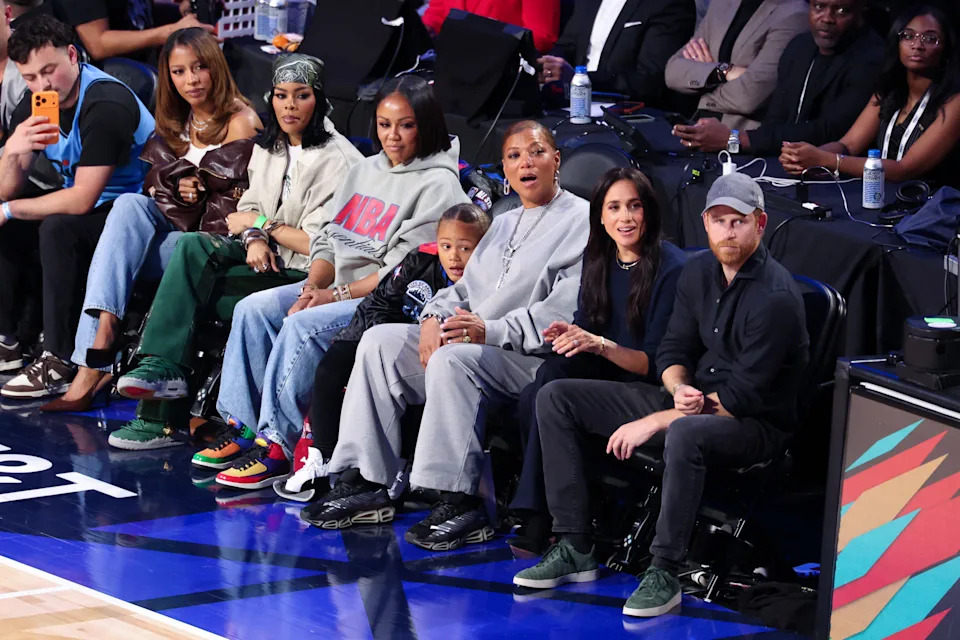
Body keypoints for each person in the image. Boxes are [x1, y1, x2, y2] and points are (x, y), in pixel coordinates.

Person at [115, 76, 469, 489]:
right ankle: (244, 426)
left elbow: (399, 274)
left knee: (301, 325)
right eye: (384, 124)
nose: (392, 136)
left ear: (425, 125)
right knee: (256, 308)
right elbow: (329, 241)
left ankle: (277, 446)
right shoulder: (367, 169)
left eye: (405, 125)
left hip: (381, 301)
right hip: (336, 286)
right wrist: (312, 287)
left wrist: (331, 296)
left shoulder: (439, 186)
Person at [511, 172, 809, 619]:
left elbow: (742, 398)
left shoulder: (776, 297)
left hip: (753, 425)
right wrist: (678, 387)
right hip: (693, 401)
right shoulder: (698, 271)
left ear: (760, 224)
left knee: (685, 434)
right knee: (555, 396)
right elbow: (672, 351)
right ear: (705, 223)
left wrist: (656, 419)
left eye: (739, 221)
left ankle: (665, 571)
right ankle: (574, 544)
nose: (728, 231)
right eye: (719, 221)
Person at [302, 121, 590, 553]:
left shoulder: (582, 220)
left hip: (530, 359)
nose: (525, 163)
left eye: (536, 153)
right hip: (471, 344)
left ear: (557, 160)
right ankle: (367, 481)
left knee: (453, 360)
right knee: (380, 342)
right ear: (505, 169)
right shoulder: (504, 221)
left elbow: (561, 314)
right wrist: (433, 319)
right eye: (513, 156)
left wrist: (487, 331)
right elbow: (461, 290)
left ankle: (459, 500)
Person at [107, 53, 363, 450]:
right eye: (281, 95)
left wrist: (261, 226)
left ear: (320, 99)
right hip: (265, 259)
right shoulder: (271, 146)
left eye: (301, 95)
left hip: (306, 275)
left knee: (193, 291)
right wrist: (255, 237)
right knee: (192, 247)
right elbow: (245, 212)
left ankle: (160, 418)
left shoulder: (341, 161)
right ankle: (160, 368)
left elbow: (320, 244)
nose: (289, 106)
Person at [38, 28, 261, 412]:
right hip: (175, 229)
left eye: (199, 68)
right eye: (178, 72)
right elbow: (154, 185)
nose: (191, 80)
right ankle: (103, 332)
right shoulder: (178, 119)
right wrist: (176, 183)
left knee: (116, 248)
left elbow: (240, 205)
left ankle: (91, 369)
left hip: (211, 243)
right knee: (127, 205)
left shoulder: (241, 121)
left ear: (216, 67)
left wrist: (194, 187)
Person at [507, 167, 686, 556]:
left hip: (642, 381)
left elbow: (655, 364)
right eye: (614, 207)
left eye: (634, 206)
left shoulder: (671, 268)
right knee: (543, 381)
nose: (625, 218)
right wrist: (571, 335)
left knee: (545, 390)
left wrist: (599, 344)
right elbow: (588, 325)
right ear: (600, 217)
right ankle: (547, 511)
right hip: (604, 368)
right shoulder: (599, 257)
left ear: (649, 211)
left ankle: (539, 516)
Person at [272, 203, 490, 502]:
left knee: (409, 382)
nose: (454, 256)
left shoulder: (488, 277)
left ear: (483, 247)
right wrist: (362, 341)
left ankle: (400, 467)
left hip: (438, 353)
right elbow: (379, 302)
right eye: (446, 246)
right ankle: (321, 458)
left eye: (465, 248)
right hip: (391, 336)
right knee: (330, 369)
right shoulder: (420, 259)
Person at [0, 15, 154, 398]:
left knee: (57, 227)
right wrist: (13, 150)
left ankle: (59, 359)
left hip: (136, 212)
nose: (43, 85)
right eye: (31, 77)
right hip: (92, 205)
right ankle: (9, 340)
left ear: (72, 55)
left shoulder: (105, 103)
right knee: (13, 218)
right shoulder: (37, 104)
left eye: (48, 71)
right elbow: (6, 190)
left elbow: (83, 198)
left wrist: (10, 209)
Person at [779, 5, 960, 188]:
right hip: (879, 194)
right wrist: (804, 155)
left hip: (929, 201)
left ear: (946, 48)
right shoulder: (888, 90)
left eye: (930, 39)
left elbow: (903, 170)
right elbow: (848, 145)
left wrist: (823, 158)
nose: (917, 45)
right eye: (908, 36)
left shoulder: (953, 102)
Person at [672, 0, 884, 154]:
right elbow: (775, 120)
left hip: (831, 172)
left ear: (860, 10)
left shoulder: (872, 58)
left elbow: (829, 130)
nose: (827, 18)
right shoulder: (800, 47)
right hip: (780, 160)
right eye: (819, 6)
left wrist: (734, 139)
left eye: (842, 10)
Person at [664, 0, 807, 132]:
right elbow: (672, 71)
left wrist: (704, 84)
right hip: (697, 126)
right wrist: (725, 72)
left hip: (741, 138)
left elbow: (750, 96)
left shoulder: (794, 14)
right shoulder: (723, 3)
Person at [537, 0, 695, 104]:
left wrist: (580, 79)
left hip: (627, 113)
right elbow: (567, 45)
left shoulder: (668, 3)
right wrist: (549, 65)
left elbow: (650, 80)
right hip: (571, 104)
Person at [11, 0, 215, 63]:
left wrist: (178, 13)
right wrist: (170, 31)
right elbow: (98, 43)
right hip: (109, 80)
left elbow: (134, 12)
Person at [421, 0, 560, 53]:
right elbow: (437, 14)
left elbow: (540, 36)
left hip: (504, 76)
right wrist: (424, 29)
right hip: (453, 73)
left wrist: (496, 33)